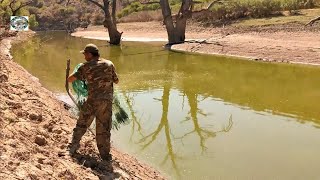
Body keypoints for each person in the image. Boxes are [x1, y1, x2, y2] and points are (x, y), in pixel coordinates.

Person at [67, 43, 119, 161]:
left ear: (90, 54)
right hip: (106, 103)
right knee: (104, 130)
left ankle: (73, 146)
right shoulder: (109, 64)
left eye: (85, 54)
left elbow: (70, 79)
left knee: (82, 124)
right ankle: (105, 157)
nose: (84, 56)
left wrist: (76, 69)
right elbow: (116, 81)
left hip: (92, 101)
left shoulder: (85, 67)